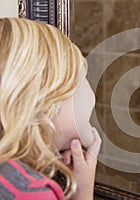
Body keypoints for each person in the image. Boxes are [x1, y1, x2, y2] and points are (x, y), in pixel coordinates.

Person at [0, 17, 101, 200]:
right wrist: (84, 194)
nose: (92, 99)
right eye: (77, 82)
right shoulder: (31, 192)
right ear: (46, 99)